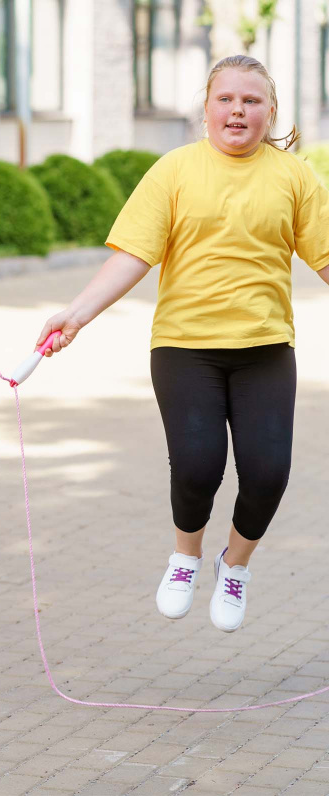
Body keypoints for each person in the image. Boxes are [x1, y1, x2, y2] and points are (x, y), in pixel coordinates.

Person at [35, 55, 329, 633]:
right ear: (207, 109)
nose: (238, 111)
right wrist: (75, 315)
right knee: (198, 468)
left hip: (265, 348)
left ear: (271, 112)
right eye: (226, 100)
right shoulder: (174, 170)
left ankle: (234, 565)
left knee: (268, 474)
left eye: (251, 101)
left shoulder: (294, 177)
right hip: (184, 348)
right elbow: (133, 256)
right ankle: (185, 556)